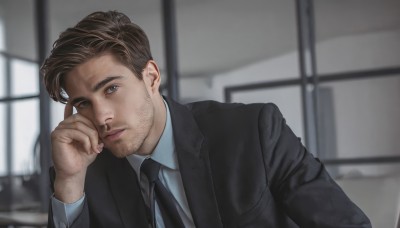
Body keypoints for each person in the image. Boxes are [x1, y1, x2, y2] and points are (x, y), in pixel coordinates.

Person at [41, 10, 371, 228]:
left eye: (111, 88)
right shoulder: (87, 173)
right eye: (83, 103)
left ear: (152, 77)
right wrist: (69, 182)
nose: (101, 116)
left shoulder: (252, 133)